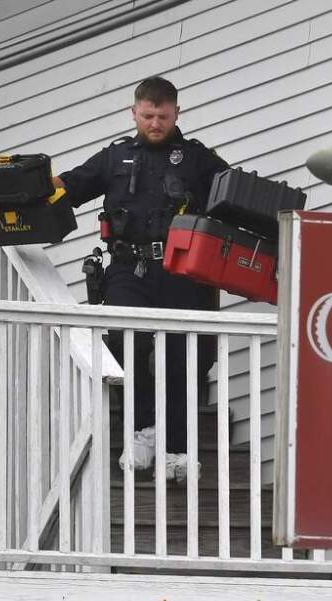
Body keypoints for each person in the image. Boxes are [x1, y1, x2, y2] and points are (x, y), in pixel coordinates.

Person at [54, 76, 228, 481]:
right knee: (124, 342)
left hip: (184, 270)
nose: (154, 123)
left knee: (187, 353)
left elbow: (236, 196)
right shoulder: (115, 157)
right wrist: (21, 189)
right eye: (147, 115)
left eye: (162, 116)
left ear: (176, 114)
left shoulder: (197, 158)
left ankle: (178, 448)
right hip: (127, 267)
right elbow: (70, 185)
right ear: (133, 113)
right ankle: (142, 432)